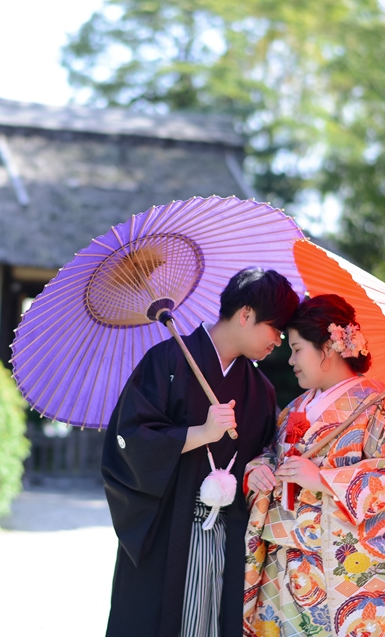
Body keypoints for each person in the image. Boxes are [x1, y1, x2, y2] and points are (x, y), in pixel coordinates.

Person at [102, 267, 300, 637]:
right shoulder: (166, 362)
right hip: (166, 529)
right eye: (277, 329)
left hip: (226, 534)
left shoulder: (261, 390)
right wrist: (200, 433)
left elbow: (263, 453)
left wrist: (258, 469)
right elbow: (129, 438)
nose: (280, 341)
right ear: (246, 315)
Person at [242, 294, 385, 637]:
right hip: (280, 567)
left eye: (297, 349)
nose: (291, 359)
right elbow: (270, 453)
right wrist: (260, 469)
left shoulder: (378, 408)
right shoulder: (295, 407)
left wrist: (323, 479)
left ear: (329, 346)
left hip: (337, 569)